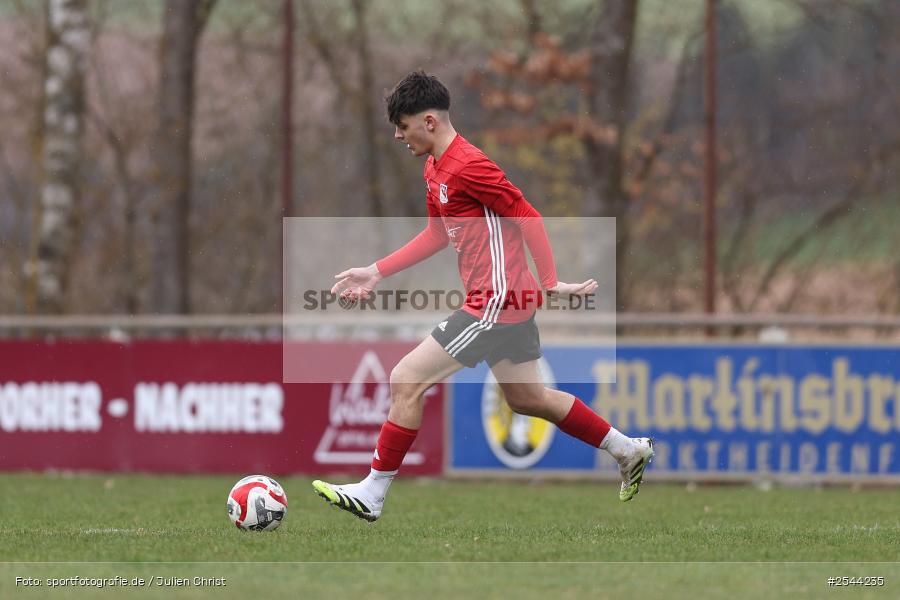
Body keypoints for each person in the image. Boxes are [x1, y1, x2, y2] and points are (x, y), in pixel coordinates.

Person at [312, 70, 652, 522]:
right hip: (504, 301)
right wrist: (376, 271)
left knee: (405, 378)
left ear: (429, 121)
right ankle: (627, 449)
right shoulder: (434, 168)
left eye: (403, 124)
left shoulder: (469, 164)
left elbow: (528, 215)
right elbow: (436, 235)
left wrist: (550, 283)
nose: (398, 134)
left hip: (497, 300)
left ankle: (373, 491)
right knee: (527, 398)